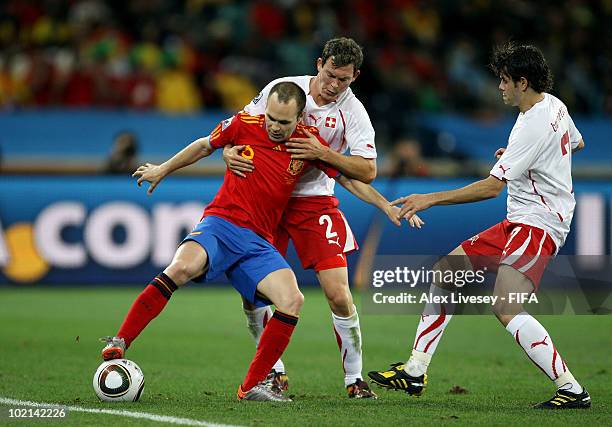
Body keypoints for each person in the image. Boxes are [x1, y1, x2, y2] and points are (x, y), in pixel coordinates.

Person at [368, 42, 591, 409]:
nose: (500, 88)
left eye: (504, 81)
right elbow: (575, 144)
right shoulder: (554, 105)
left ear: (522, 82)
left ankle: (571, 389)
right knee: (446, 273)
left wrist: (430, 198)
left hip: (539, 223)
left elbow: (491, 188)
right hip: (519, 218)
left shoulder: (532, 124)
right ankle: (415, 369)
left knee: (506, 308)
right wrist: (522, 158)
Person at [100, 82, 341, 402]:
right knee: (182, 267)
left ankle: (252, 386)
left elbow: (349, 175)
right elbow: (204, 145)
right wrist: (163, 169)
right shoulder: (244, 124)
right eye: (271, 117)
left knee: (293, 300)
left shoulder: (309, 144)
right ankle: (120, 340)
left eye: (284, 122)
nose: (274, 126)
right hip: (221, 223)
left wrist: (382, 203)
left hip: (258, 242)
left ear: (299, 118)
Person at [223, 37, 421, 398]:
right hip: (266, 199)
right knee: (253, 295)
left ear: (355, 77)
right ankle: (273, 373)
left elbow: (366, 170)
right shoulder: (282, 90)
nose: (334, 85)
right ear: (319, 64)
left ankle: (354, 379)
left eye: (343, 80)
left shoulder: (354, 113)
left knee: (338, 294)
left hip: (314, 202)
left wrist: (323, 153)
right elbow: (240, 128)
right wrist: (229, 153)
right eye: (330, 75)